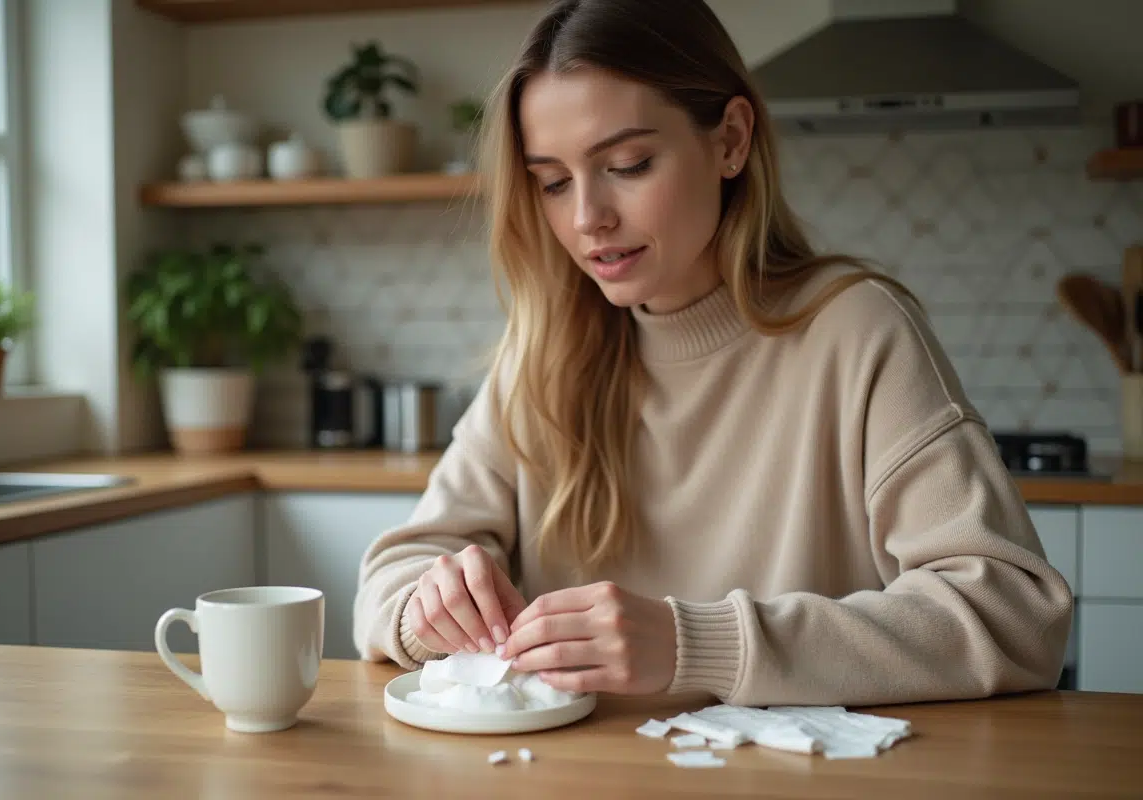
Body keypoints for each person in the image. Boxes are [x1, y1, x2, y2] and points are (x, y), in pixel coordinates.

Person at [353, 0, 1073, 708]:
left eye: (628, 164)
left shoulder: (856, 330)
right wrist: (427, 607)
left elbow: (1013, 616)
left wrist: (695, 643)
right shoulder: (546, 352)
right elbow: (390, 578)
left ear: (730, 140)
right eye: (553, 181)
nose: (585, 218)